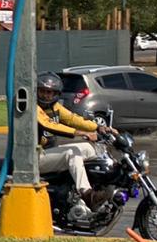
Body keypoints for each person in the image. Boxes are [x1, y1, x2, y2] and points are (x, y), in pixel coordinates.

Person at [36, 71, 114, 211]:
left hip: (48, 154)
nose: (46, 95)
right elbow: (49, 125)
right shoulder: (33, 108)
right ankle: (87, 194)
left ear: (56, 94)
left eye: (50, 92)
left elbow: (73, 119)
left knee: (91, 147)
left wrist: (99, 127)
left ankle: (99, 186)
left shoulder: (54, 107)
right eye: (43, 91)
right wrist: (83, 133)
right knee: (72, 153)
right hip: (33, 158)